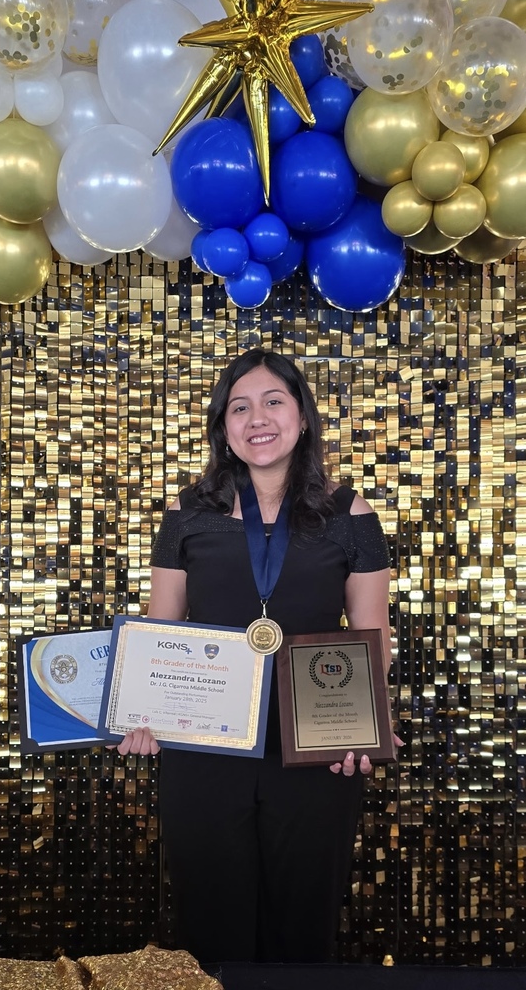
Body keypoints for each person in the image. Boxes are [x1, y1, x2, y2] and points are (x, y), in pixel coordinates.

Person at [116, 348, 394, 965]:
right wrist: (139, 711)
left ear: (301, 416)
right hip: (202, 750)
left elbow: (373, 639)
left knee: (303, 928)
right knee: (210, 928)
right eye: (239, 407)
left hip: (318, 754)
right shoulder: (186, 513)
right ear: (223, 426)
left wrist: (363, 728)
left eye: (273, 401)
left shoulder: (352, 514)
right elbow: (162, 631)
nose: (256, 418)